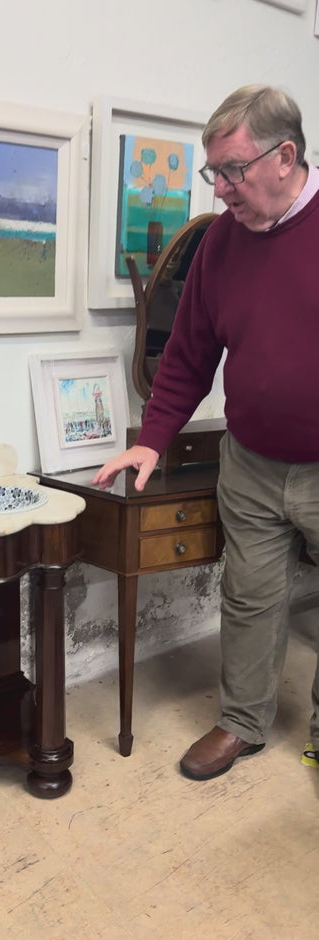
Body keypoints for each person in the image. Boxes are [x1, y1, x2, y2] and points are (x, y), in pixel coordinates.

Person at [93, 84, 319, 781]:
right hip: (249, 462)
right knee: (247, 597)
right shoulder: (220, 241)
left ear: (284, 157)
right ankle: (242, 723)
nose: (220, 190)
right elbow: (190, 352)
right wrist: (150, 437)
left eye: (232, 171)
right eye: (211, 173)